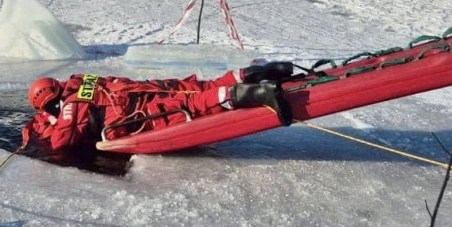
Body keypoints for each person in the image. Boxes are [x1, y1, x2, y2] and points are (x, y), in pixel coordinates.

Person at [22, 62, 294, 153]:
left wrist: (52, 123)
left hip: (137, 115)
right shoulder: (79, 80)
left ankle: (253, 93)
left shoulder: (71, 106)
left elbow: (61, 141)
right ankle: (252, 73)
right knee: (197, 87)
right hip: (145, 90)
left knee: (194, 105)